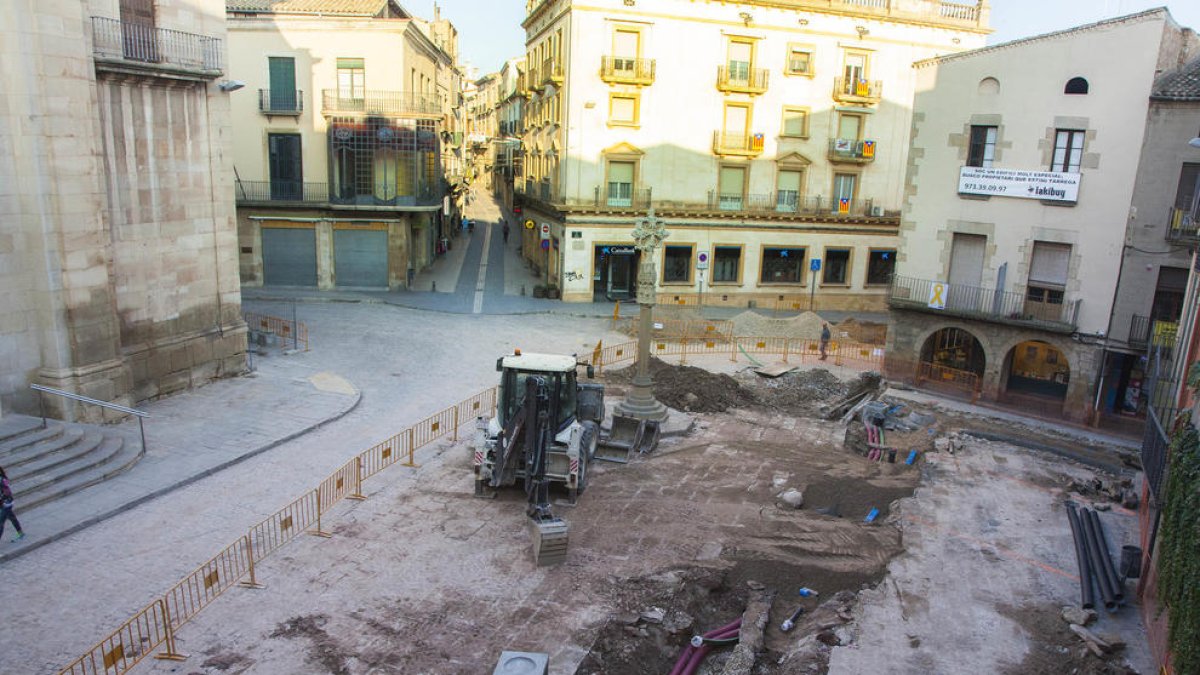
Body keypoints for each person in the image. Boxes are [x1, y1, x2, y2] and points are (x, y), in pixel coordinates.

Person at [0, 466, 25, 542]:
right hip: (4, 503)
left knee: (1, 522)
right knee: (12, 517)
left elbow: (7, 492)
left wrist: (1, 499)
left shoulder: (2, 480)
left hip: (6, 503)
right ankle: (20, 532)